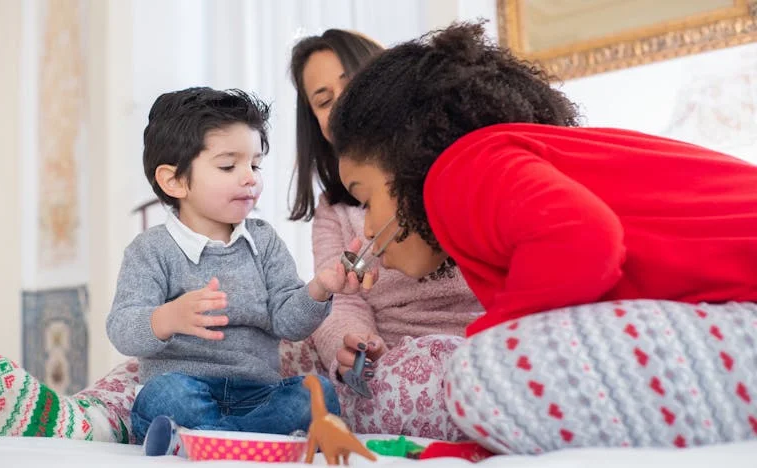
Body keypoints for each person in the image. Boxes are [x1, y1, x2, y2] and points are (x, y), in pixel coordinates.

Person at [329, 22, 757, 453]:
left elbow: (585, 243)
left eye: (365, 199)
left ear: (405, 161)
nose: (366, 228)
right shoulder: (511, 167)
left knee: (476, 368)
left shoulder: (457, 172)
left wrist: (486, 343)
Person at [106, 87, 369, 456]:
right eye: (229, 166)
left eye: (255, 165)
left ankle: (214, 440)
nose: (250, 178)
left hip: (259, 393)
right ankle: (248, 442)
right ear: (174, 181)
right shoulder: (151, 250)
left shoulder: (264, 242)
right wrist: (168, 317)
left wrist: (319, 289)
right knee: (165, 395)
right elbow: (122, 328)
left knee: (317, 392)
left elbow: (288, 323)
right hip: (187, 387)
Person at [287, 29, 483, 440]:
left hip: (472, 352)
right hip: (384, 359)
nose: (342, 102)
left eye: (353, 82)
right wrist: (349, 343)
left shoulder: (459, 168)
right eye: (323, 100)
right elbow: (338, 301)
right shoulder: (333, 211)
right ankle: (126, 408)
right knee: (242, 350)